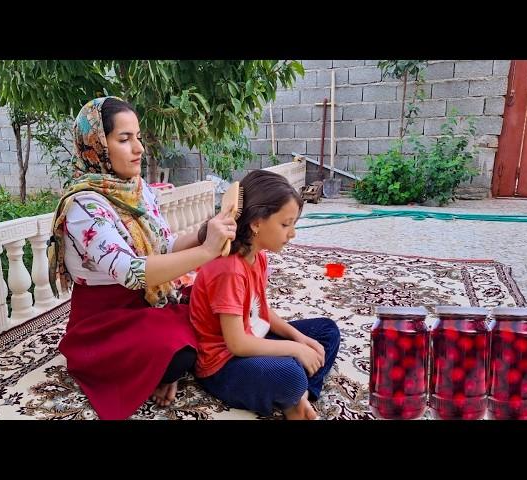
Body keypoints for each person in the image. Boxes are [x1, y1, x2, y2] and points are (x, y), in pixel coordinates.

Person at [48, 96, 236, 420]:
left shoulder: (138, 190)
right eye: (124, 139)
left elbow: (165, 244)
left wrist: (205, 233)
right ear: (96, 145)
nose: (139, 149)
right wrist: (205, 252)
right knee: (178, 350)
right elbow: (130, 272)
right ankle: (163, 369)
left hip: (149, 303)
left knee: (214, 311)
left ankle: (163, 371)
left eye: (137, 137)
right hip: (105, 323)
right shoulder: (84, 206)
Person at [189, 170, 340, 419]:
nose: (292, 233)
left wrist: (298, 337)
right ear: (257, 222)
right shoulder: (228, 268)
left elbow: (260, 312)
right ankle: (297, 394)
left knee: (326, 331)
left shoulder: (257, 256)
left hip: (251, 336)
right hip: (224, 365)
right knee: (291, 374)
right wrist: (294, 349)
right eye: (285, 224)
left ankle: (300, 398)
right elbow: (237, 344)